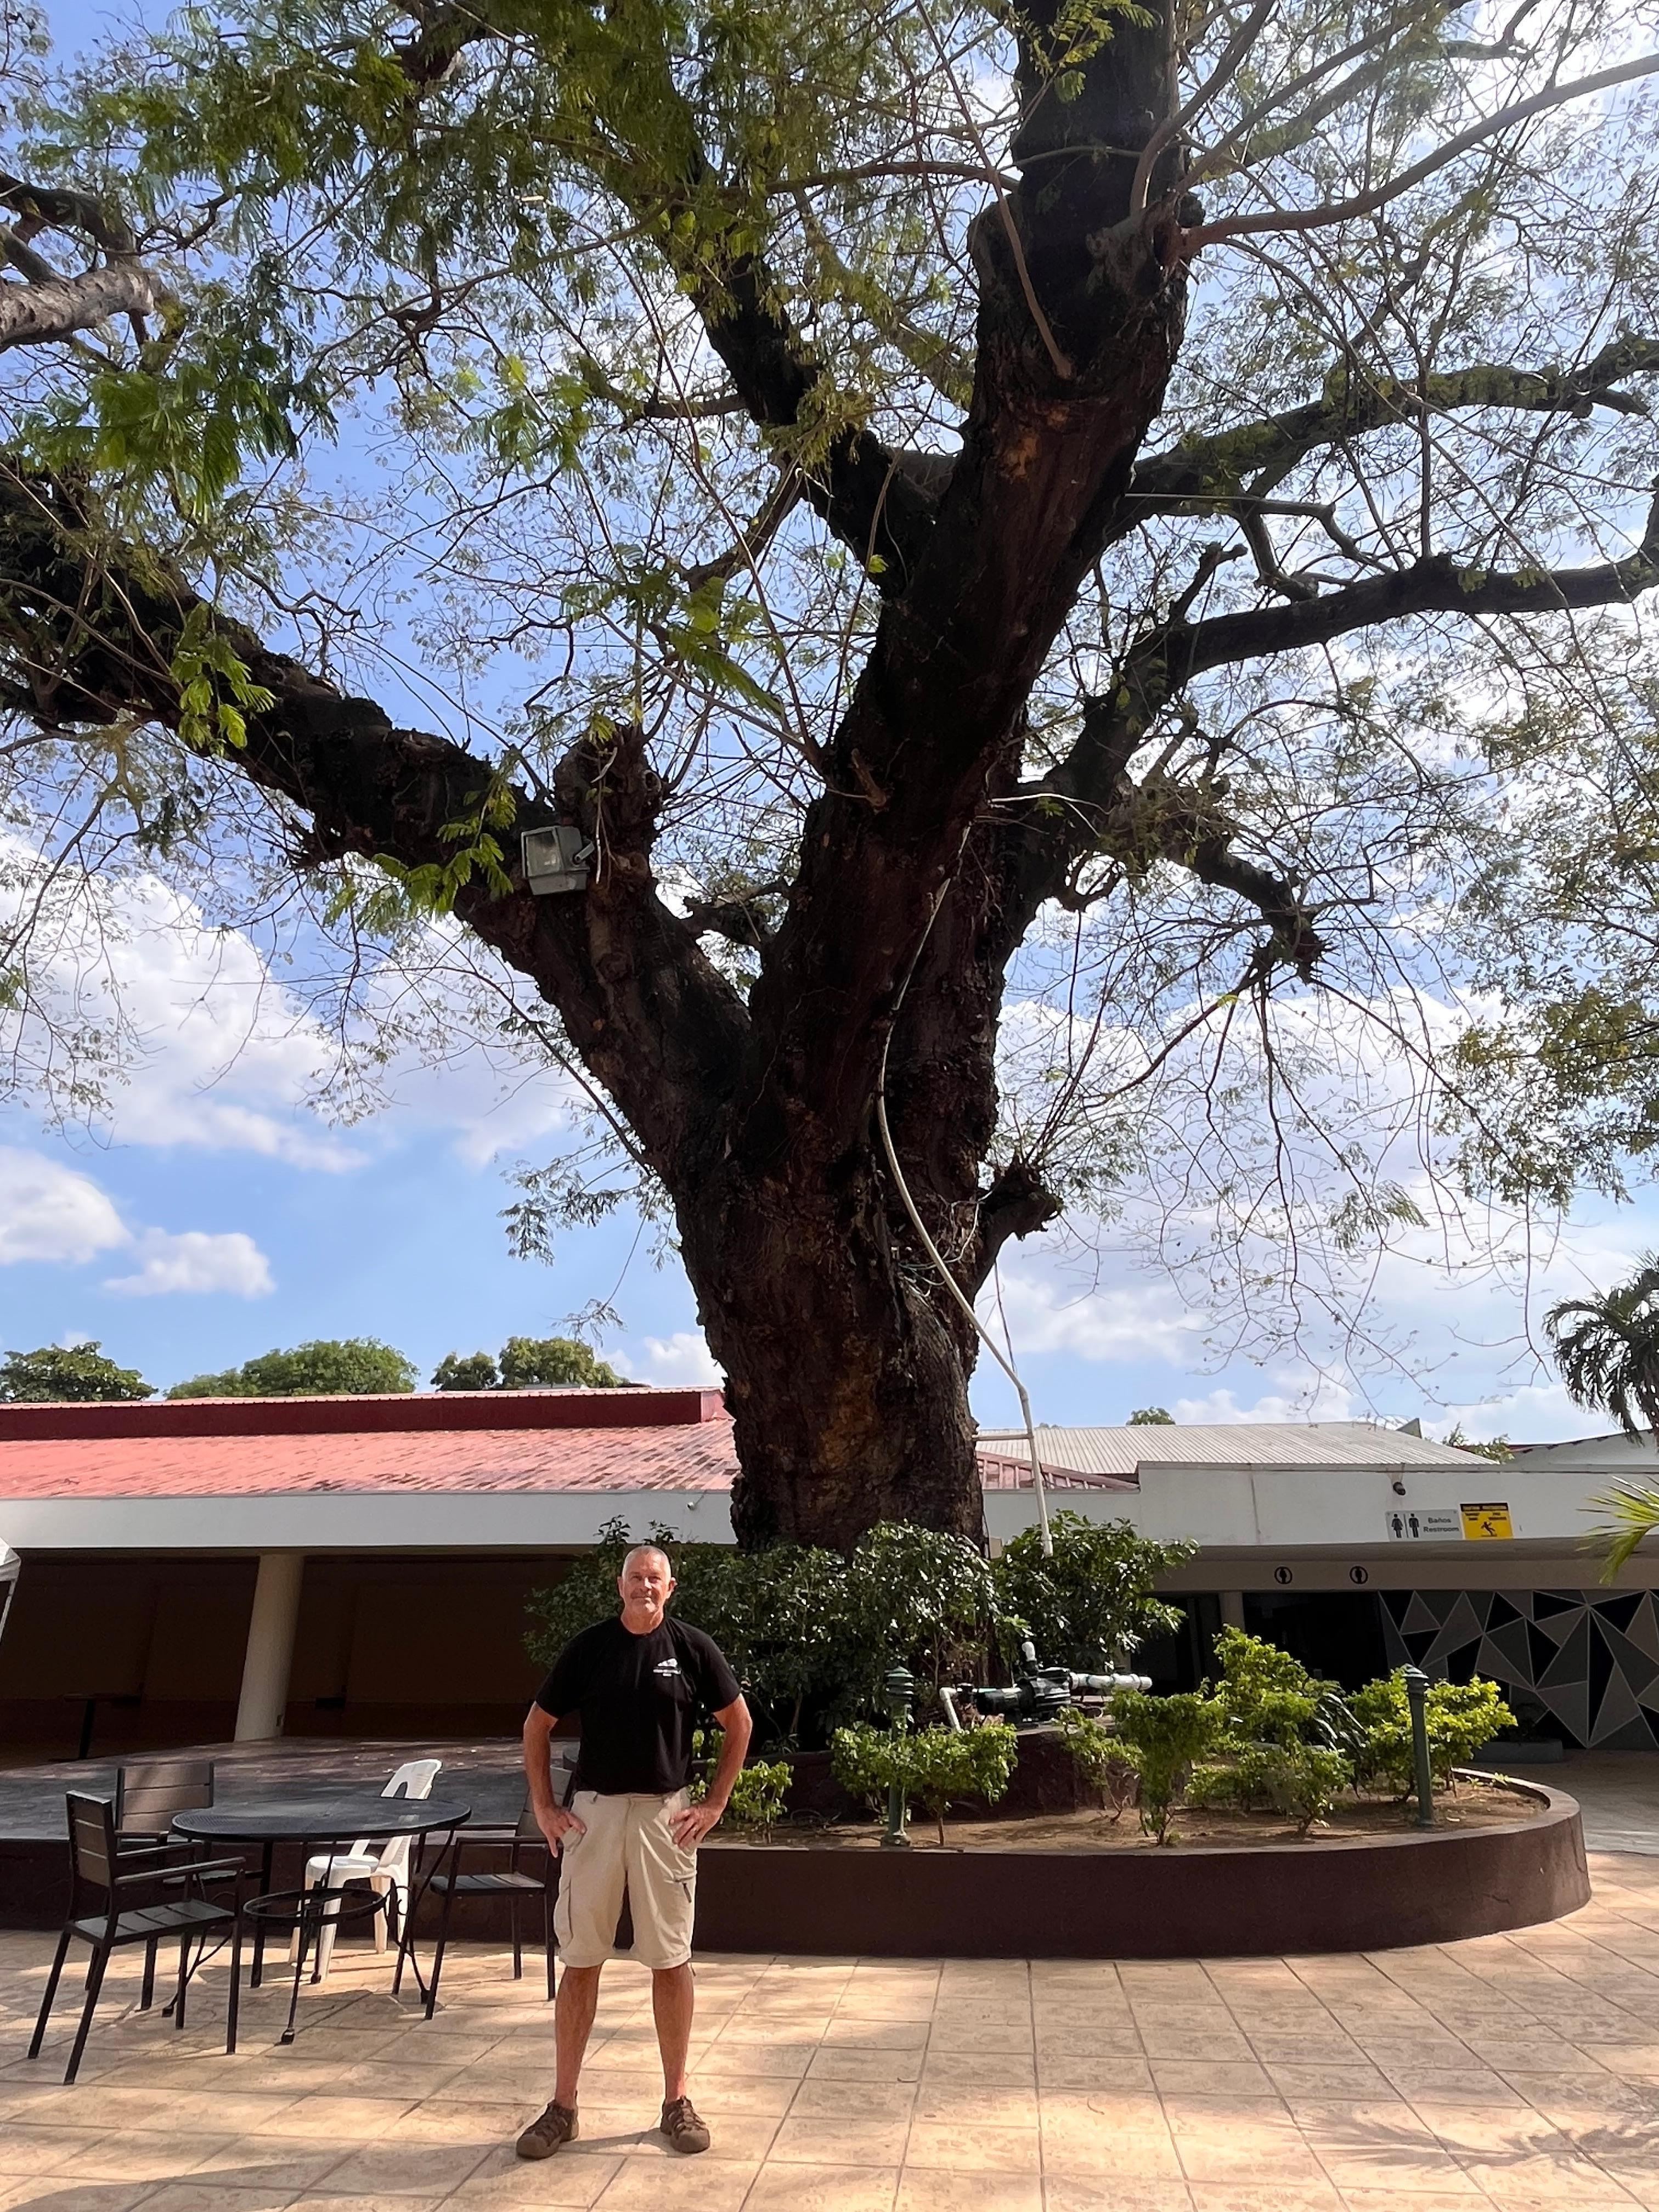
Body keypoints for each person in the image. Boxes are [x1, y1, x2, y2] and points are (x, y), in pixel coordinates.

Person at [516, 1541, 751, 2160]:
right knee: (581, 1960)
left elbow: (740, 1723)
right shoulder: (590, 1648)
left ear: (670, 1588)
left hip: (665, 1819)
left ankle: (677, 2101)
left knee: (671, 1960)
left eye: (656, 1579)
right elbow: (536, 1725)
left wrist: (715, 1803)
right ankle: (563, 2107)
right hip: (593, 1819)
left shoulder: (693, 1648)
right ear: (620, 1587)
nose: (645, 1586)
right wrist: (545, 1807)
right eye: (636, 1578)